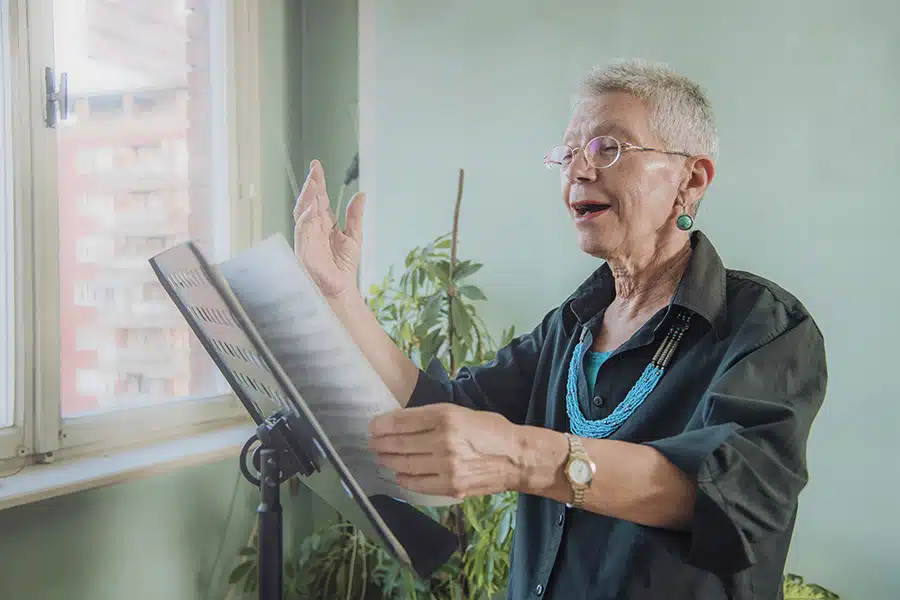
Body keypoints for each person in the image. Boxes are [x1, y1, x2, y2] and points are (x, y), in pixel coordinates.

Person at [292, 59, 827, 600]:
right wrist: (340, 294)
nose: (579, 171)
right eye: (569, 153)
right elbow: (437, 406)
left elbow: (728, 496)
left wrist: (523, 456)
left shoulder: (766, 327)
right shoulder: (571, 327)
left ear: (691, 179)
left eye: (608, 149)